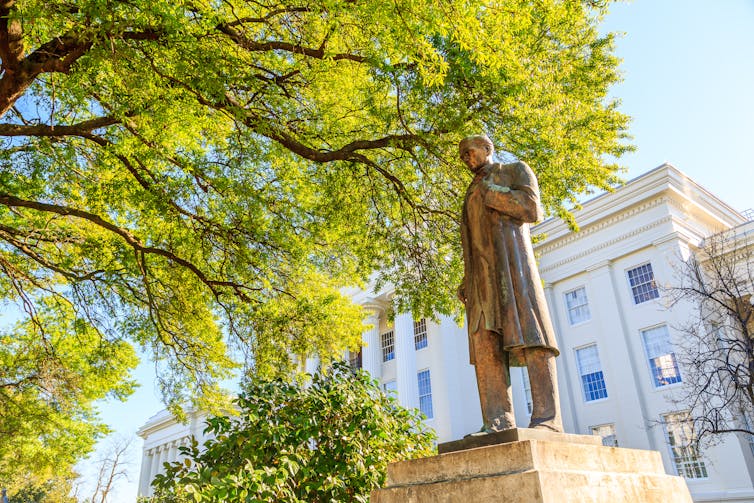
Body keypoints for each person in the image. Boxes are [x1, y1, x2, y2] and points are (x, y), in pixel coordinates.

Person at [457, 134, 563, 433]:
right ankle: (497, 421)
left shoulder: (514, 170)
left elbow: (532, 209)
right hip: (481, 277)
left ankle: (548, 419)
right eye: (462, 156)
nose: (467, 158)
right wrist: (468, 279)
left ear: (488, 149)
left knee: (533, 336)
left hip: (513, 266)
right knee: (485, 343)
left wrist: (493, 193)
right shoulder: (469, 192)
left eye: (470, 152)